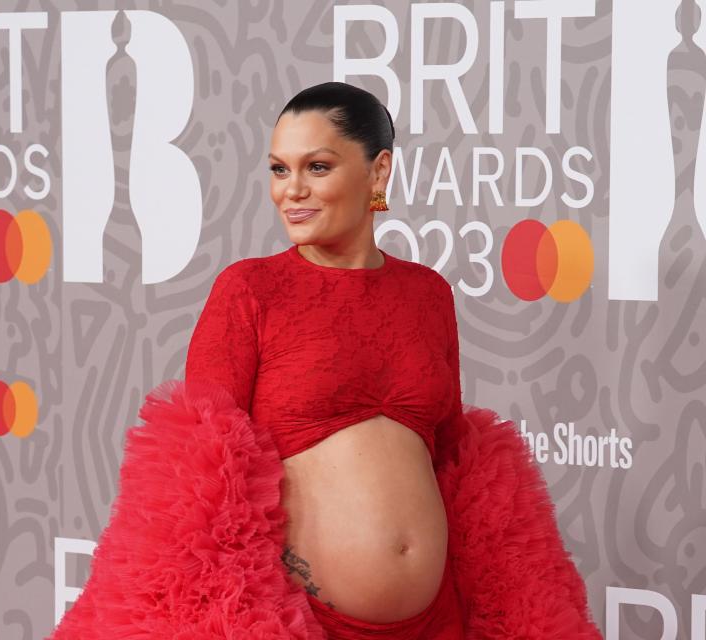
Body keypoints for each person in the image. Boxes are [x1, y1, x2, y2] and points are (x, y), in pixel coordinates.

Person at [47, 82, 603, 639]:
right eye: (278, 170)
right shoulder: (250, 290)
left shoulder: (428, 294)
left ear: (378, 173)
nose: (291, 191)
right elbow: (201, 481)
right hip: (300, 623)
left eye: (316, 167)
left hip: (439, 621)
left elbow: (450, 456)